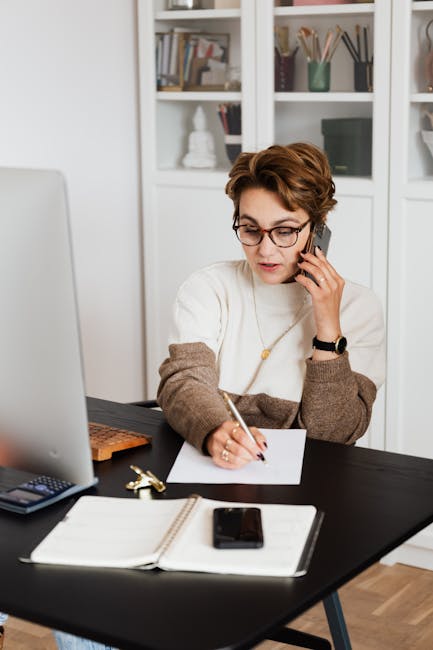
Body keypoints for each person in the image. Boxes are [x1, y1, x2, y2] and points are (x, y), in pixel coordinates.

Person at [158, 142, 385, 467]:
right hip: (217, 470)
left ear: (319, 228)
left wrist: (328, 327)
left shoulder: (359, 308)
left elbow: (334, 434)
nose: (265, 250)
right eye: (250, 229)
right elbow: (183, 381)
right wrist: (217, 432)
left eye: (285, 231)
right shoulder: (208, 288)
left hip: (316, 481)